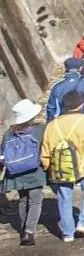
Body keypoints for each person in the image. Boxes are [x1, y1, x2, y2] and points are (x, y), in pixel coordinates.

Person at [41, 89, 84, 242]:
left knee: (64, 198)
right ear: (81, 104)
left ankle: (67, 233)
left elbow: (45, 149)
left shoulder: (52, 125)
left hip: (61, 168)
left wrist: (46, 165)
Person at [3, 99, 46, 246]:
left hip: (16, 172)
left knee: (23, 200)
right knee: (35, 201)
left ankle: (24, 229)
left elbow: (3, 153)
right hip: (34, 171)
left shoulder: (9, 132)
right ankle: (29, 231)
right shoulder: (39, 129)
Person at [42, 56, 84, 127]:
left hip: (64, 122)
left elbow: (51, 108)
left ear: (65, 68)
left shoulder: (56, 86)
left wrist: (49, 123)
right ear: (80, 68)